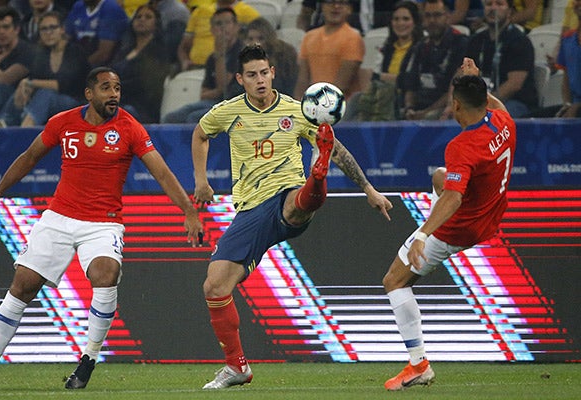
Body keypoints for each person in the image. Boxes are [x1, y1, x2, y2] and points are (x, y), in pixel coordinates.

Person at [0, 67, 202, 390]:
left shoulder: (129, 128)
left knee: (105, 274)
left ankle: (88, 358)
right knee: (24, 285)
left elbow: (163, 173)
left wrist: (189, 212)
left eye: (117, 88)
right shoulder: (63, 123)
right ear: (89, 94)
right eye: (105, 88)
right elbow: (28, 158)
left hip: (102, 222)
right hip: (58, 217)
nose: (113, 94)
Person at [192, 43, 393, 390]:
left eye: (264, 73)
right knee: (214, 286)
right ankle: (236, 367)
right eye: (251, 75)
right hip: (250, 210)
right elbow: (200, 134)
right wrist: (201, 181)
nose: (260, 80)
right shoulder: (227, 112)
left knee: (298, 204)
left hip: (286, 194)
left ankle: (318, 173)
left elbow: (343, 151)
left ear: (272, 73)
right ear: (240, 79)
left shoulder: (297, 110)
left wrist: (369, 189)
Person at [382, 57, 516, 391]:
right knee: (440, 177)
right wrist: (477, 78)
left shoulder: (462, 146)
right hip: (491, 212)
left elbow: (454, 199)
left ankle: (418, 365)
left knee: (394, 281)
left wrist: (423, 235)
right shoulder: (503, 121)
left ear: (455, 105)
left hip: (459, 227)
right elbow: (493, 105)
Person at [0, 11, 90, 127]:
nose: (48, 33)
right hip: (46, 102)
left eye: (52, 27)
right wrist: (24, 89)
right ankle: (0, 124)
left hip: (76, 102)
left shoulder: (75, 52)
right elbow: (36, 78)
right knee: (16, 90)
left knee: (45, 93)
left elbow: (63, 85)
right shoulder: (41, 54)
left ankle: (26, 129)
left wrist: (29, 83)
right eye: (43, 29)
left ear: (62, 29)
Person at [163, 7, 244, 123]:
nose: (223, 27)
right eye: (218, 24)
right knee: (171, 117)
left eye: (227, 23)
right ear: (212, 30)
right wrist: (217, 91)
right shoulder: (212, 58)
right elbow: (203, 94)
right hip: (213, 102)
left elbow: (224, 87)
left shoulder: (242, 52)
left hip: (233, 104)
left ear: (237, 27)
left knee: (195, 118)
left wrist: (220, 54)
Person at [347, 0, 424, 121]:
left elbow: (412, 80)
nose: (400, 23)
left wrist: (381, 77)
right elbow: (375, 77)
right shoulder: (386, 47)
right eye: (396, 19)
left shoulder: (422, 47)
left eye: (405, 19)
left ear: (415, 22)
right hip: (384, 93)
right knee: (357, 97)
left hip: (405, 98)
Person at [464, 0, 537, 118]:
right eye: (488, 4)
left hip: (513, 102)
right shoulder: (476, 40)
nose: (493, 8)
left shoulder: (520, 41)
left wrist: (483, 106)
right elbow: (461, 75)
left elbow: (514, 85)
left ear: (509, 11)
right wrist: (452, 104)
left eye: (499, 4)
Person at [398, 0, 468, 120]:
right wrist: (409, 108)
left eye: (437, 15)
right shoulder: (419, 47)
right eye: (428, 16)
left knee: (431, 117)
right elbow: (410, 85)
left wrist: (426, 112)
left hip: (445, 107)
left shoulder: (461, 43)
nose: (432, 20)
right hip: (420, 106)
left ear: (447, 16)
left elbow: (454, 89)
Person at [294, 0, 364, 100]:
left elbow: (342, 85)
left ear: (349, 9)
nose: (336, 6)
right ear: (322, 6)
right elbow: (302, 81)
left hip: (341, 105)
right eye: (330, 2)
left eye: (342, 3)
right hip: (312, 103)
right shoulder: (309, 37)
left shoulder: (353, 38)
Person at [110, 4, 169, 123]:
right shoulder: (124, 50)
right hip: (117, 98)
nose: (142, 19)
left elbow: (147, 84)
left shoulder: (159, 52)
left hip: (141, 107)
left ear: (156, 24)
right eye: (138, 17)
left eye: (148, 17)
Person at [0, 6, 34, 126]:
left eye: (6, 27)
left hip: (19, 100)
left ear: (16, 29)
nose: (1, 32)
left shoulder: (26, 51)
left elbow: (4, 80)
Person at [176, 0, 259, 72]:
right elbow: (183, 47)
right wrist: (184, 61)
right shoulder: (200, 11)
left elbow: (260, 44)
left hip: (231, 70)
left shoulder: (248, 13)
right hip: (195, 68)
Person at [65, 0, 128, 66]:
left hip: (103, 67)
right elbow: (65, 37)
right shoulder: (78, 5)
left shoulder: (111, 8)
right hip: (78, 58)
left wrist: (79, 68)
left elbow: (103, 54)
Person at [245, 17, 298, 95]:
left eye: (260, 38)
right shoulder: (243, 59)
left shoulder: (285, 57)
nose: (255, 43)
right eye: (250, 39)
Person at [554, 0, 581, 118]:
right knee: (529, 119)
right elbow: (566, 79)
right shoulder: (567, 38)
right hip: (574, 105)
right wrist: (568, 104)